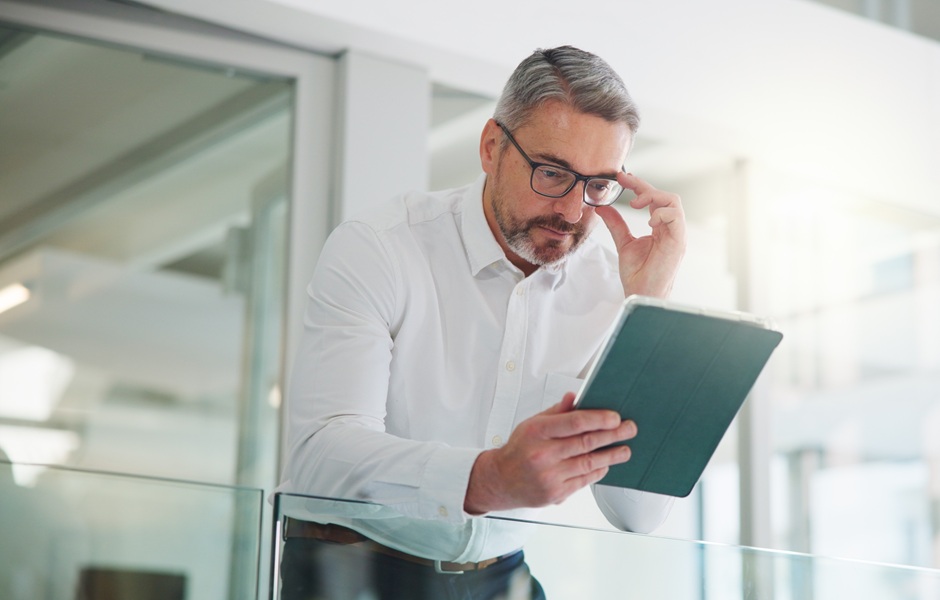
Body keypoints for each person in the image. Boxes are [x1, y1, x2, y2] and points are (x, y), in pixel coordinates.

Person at [277, 45, 686, 599]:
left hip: (501, 576)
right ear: (492, 147)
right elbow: (319, 454)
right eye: (551, 173)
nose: (571, 212)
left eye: (597, 186)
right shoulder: (381, 248)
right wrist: (488, 477)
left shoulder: (613, 283)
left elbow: (637, 514)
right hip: (352, 565)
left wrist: (649, 307)